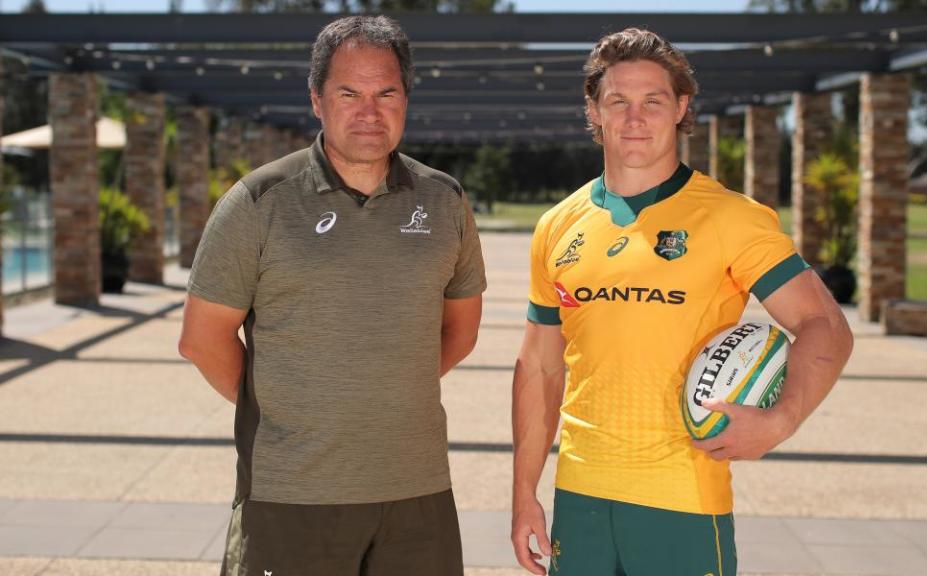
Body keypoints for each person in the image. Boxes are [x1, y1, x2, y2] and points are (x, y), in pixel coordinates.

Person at [510, 28, 853, 576]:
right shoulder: (558, 226)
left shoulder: (731, 218)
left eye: (653, 101)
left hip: (684, 500)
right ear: (594, 111)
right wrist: (524, 491)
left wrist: (781, 420)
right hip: (580, 496)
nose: (634, 118)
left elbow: (825, 325)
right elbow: (540, 366)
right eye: (617, 101)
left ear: (681, 108)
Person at [178, 15, 486, 576]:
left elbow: (460, 332)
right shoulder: (259, 202)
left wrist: (380, 389)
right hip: (292, 493)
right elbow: (202, 340)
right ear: (317, 100)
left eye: (386, 93)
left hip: (417, 495)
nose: (370, 111)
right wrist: (292, 407)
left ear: (406, 100)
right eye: (349, 93)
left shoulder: (445, 201)